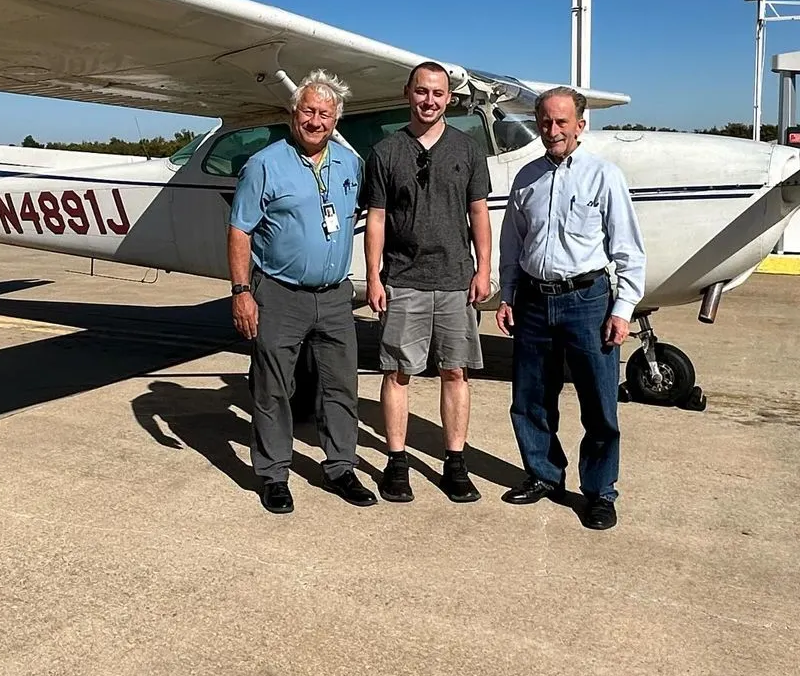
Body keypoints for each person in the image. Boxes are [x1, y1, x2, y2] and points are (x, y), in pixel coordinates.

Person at [496, 86, 646, 531]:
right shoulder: (526, 179)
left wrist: (622, 309)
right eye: (545, 121)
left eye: (562, 122)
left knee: (599, 404)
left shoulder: (604, 177)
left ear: (581, 125)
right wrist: (507, 295)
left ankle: (600, 491)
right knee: (530, 399)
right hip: (534, 301)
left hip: (588, 301)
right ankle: (544, 474)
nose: (552, 129)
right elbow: (512, 244)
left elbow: (628, 250)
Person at [227, 69, 377, 514]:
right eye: (308, 111)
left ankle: (340, 467)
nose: (316, 121)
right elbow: (240, 231)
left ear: (336, 120)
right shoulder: (264, 165)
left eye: (325, 114)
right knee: (274, 387)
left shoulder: (350, 164)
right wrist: (241, 291)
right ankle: (273, 473)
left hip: (335, 296)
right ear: (294, 115)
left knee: (340, 386)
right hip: (279, 292)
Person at [363, 61, 492, 504]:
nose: (429, 100)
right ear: (408, 93)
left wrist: (483, 268)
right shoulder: (385, 152)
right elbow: (376, 218)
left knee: (455, 371)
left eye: (438, 93)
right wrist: (373, 277)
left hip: (456, 280)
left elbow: (478, 212)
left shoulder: (468, 149)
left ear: (449, 99)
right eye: (422, 92)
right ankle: (396, 462)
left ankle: (454, 463)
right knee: (398, 373)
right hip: (403, 278)